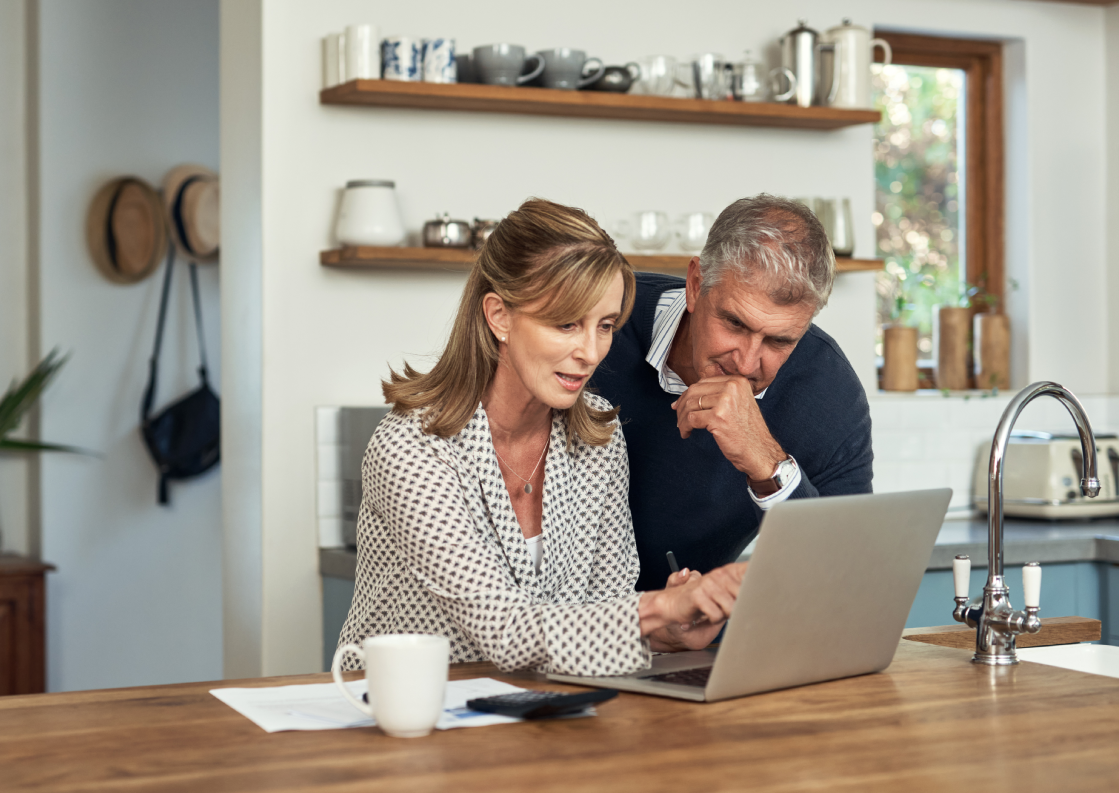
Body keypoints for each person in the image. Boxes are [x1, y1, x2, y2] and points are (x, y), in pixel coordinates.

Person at [338, 199, 745, 675]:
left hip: (538, 715)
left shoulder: (598, 440)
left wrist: (664, 634)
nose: (591, 352)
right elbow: (504, 629)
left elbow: (602, 608)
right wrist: (658, 609)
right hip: (403, 715)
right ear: (499, 316)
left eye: (606, 326)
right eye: (566, 323)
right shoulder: (411, 448)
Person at [590, 194, 873, 592]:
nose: (746, 362)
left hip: (694, 634)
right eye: (735, 324)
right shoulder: (601, 325)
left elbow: (846, 577)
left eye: (778, 341)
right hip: (561, 626)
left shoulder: (830, 394)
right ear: (695, 284)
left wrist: (768, 465)